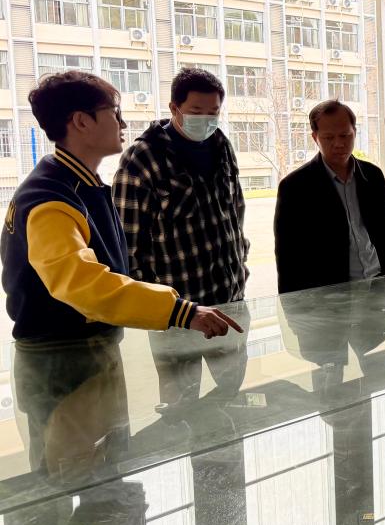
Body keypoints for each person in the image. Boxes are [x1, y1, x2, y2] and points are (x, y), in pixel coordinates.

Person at [0, 71, 241, 341]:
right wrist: (180, 312)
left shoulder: (79, 184)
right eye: (114, 113)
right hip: (63, 350)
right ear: (82, 121)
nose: (123, 123)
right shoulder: (50, 201)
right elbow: (84, 285)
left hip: (91, 342)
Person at [112, 67, 249, 306]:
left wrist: (241, 258)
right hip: (181, 309)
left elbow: (235, 209)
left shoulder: (221, 145)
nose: (206, 119)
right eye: (196, 112)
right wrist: (156, 305)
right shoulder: (143, 157)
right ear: (174, 108)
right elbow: (128, 244)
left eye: (213, 112)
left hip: (232, 297)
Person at [274, 100, 385, 293]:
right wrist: (292, 303)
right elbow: (287, 255)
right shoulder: (294, 187)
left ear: (355, 132)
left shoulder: (373, 175)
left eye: (345, 135)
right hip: (330, 294)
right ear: (315, 137)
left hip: (377, 284)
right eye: (329, 138)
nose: (339, 144)